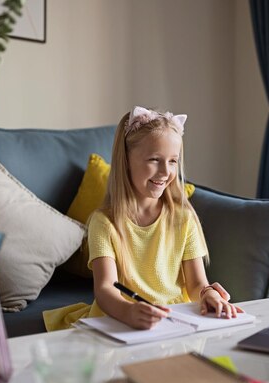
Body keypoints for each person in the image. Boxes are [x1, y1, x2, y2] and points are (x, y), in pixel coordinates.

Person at [43, 106, 241, 331]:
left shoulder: (184, 218)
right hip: (120, 319)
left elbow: (196, 283)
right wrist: (128, 312)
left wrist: (208, 294)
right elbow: (106, 289)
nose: (165, 171)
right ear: (126, 160)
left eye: (173, 161)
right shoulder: (104, 222)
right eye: (154, 159)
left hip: (173, 320)